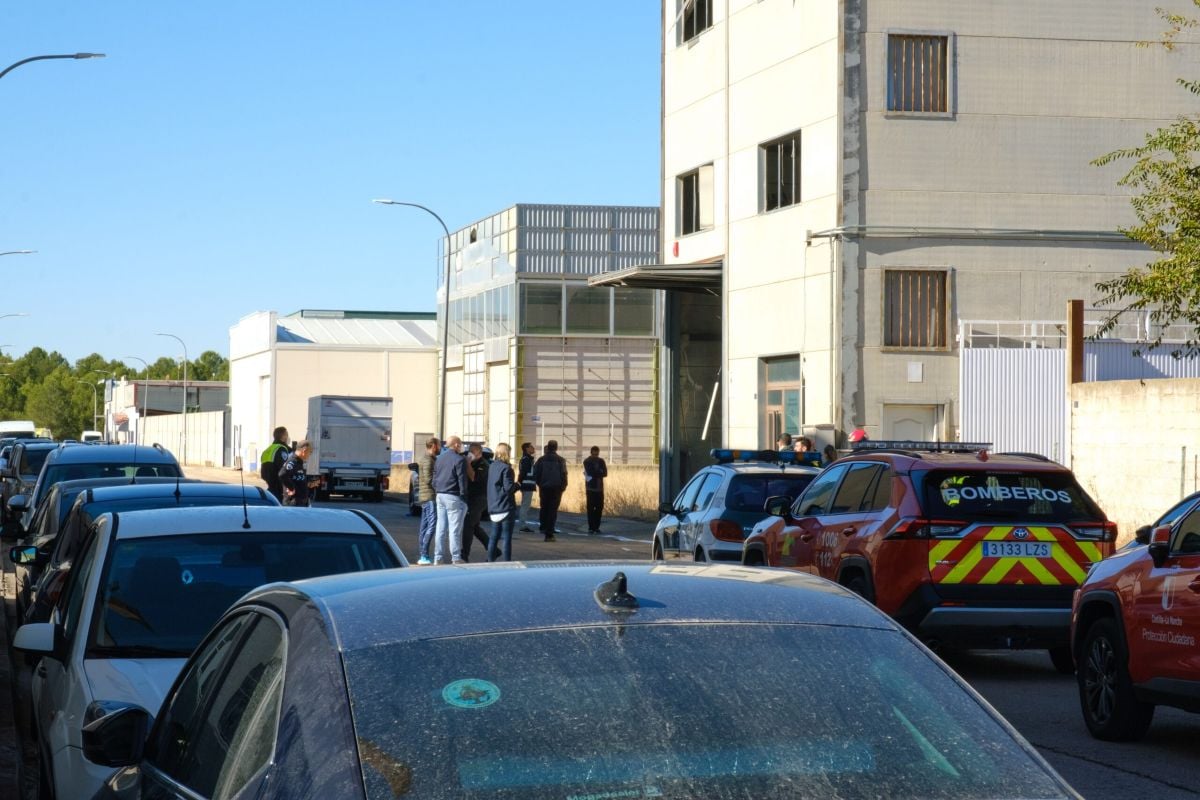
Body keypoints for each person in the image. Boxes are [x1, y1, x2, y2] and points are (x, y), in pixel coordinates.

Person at [432, 436, 470, 565]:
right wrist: (464, 496)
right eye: (460, 444)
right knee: (454, 529)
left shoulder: (439, 458)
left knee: (441, 528)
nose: (461, 447)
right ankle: (455, 557)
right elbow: (462, 480)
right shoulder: (459, 459)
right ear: (456, 445)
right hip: (453, 496)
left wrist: (437, 489)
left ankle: (438, 557)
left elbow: (434, 478)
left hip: (440, 495)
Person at [487, 443, 519, 562]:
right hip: (505, 506)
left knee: (494, 537)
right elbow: (509, 488)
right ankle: (507, 563)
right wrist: (518, 485)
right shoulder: (507, 468)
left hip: (493, 506)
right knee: (506, 538)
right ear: (507, 453)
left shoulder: (491, 466)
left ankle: (490, 561)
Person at [460, 443, 492, 562]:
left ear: (479, 452)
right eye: (469, 451)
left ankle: (464, 554)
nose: (470, 453)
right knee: (475, 526)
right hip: (470, 498)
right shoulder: (471, 462)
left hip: (479, 499)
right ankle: (492, 549)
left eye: (473, 451)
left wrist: (468, 463)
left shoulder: (483, 465)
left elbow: (473, 477)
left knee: (468, 525)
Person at [532, 440, 567, 542]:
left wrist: (540, 483)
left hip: (544, 487)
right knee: (552, 510)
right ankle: (549, 533)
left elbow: (536, 473)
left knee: (544, 507)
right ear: (556, 447)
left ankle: (543, 526)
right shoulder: (561, 460)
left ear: (548, 447)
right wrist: (563, 486)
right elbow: (564, 474)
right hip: (556, 488)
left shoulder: (541, 460)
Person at [414, 437, 440, 565]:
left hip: (426, 497)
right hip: (429, 497)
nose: (440, 448)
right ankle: (424, 554)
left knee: (424, 527)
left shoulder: (429, 459)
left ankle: (423, 555)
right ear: (434, 446)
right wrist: (440, 485)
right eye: (439, 445)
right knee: (432, 525)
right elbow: (429, 479)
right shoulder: (428, 460)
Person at [280, 440, 318, 507]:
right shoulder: (293, 461)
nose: (310, 455)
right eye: (310, 452)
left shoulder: (299, 462)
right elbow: (282, 474)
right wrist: (291, 488)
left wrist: (309, 484)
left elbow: (297, 479)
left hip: (301, 502)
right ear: (304, 450)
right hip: (294, 503)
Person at [258, 426, 291, 502]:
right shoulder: (281, 449)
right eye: (287, 434)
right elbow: (284, 469)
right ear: (283, 436)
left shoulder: (268, 449)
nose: (288, 437)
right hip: (277, 485)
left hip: (268, 483)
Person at [583, 445, 607, 535]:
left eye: (596, 454)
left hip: (599, 488)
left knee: (599, 508)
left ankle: (596, 527)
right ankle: (591, 527)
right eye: (594, 454)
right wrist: (599, 471)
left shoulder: (601, 461)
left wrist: (597, 472)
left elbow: (605, 473)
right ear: (591, 453)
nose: (595, 456)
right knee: (590, 508)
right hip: (590, 488)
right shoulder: (587, 461)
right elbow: (590, 472)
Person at [516, 442, 536, 532]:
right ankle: (522, 525)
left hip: (527, 484)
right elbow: (523, 473)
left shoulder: (526, 459)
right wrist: (519, 483)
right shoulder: (526, 459)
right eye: (531, 447)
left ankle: (522, 524)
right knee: (525, 505)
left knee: (525, 505)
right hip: (527, 485)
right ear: (527, 449)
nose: (533, 448)